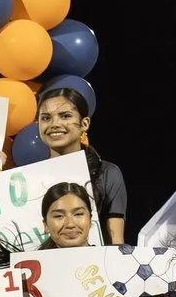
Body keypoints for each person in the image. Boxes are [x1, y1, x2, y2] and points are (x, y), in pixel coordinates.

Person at [31, 87, 125, 242]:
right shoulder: (28, 177)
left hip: (93, 265)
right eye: (46, 118)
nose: (55, 124)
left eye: (65, 116)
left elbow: (117, 242)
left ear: (84, 123)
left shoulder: (107, 173)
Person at [40, 180, 95, 249]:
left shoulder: (108, 257)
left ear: (90, 220)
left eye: (78, 214)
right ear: (46, 225)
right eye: (59, 216)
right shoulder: (34, 259)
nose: (70, 224)